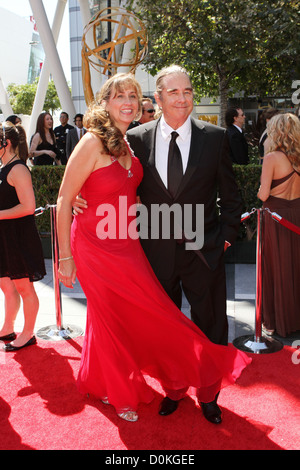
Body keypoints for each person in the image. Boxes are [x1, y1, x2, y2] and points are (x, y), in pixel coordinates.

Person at [57, 72, 250, 424]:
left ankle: (209, 395)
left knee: (211, 323)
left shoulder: (216, 138)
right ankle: (173, 390)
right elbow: (98, 183)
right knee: (161, 323)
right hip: (150, 250)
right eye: (173, 92)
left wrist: (224, 237)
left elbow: (231, 195)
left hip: (202, 248)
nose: (182, 98)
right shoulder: (134, 138)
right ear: (158, 99)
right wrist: (80, 201)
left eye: (188, 91)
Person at [0, 122, 46, 351]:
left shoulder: (17, 169)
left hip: (18, 237)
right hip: (5, 237)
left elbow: (28, 207)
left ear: (5, 143)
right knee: (7, 286)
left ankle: (28, 333)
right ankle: (8, 327)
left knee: (24, 287)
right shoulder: (4, 167)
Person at [258, 113, 300, 337]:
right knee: (296, 266)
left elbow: (263, 195)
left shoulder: (272, 157)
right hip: (297, 215)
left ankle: (274, 322)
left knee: (276, 268)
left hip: (276, 218)